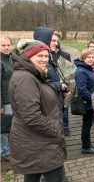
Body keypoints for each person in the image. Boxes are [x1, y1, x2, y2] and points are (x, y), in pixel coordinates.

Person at [8, 39, 67, 182]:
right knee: (58, 178)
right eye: (39, 56)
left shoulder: (31, 74)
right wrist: (54, 130)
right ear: (28, 56)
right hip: (41, 143)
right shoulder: (26, 79)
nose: (44, 59)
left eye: (46, 56)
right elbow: (31, 116)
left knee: (32, 176)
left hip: (34, 142)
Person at [34, 27, 71, 136]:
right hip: (47, 110)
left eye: (57, 41)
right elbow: (38, 86)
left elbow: (51, 79)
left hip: (55, 106)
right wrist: (59, 86)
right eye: (53, 40)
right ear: (44, 40)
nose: (56, 43)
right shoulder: (40, 61)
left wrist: (62, 90)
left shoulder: (50, 58)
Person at [74, 49, 94, 154]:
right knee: (86, 124)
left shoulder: (88, 69)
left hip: (91, 102)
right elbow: (82, 90)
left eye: (92, 57)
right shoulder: (81, 71)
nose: (91, 59)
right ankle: (85, 147)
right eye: (88, 57)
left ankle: (88, 143)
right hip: (87, 103)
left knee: (88, 124)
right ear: (83, 58)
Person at [53, 41, 72, 136]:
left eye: (57, 48)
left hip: (65, 82)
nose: (55, 50)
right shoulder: (49, 57)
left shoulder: (65, 55)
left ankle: (65, 126)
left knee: (65, 106)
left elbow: (69, 71)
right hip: (56, 84)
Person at [0, 36, 13, 161]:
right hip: (5, 101)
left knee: (11, 125)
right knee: (4, 127)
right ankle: (4, 152)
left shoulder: (10, 59)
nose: (7, 47)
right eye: (3, 45)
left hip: (13, 99)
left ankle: (10, 148)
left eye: (8, 45)